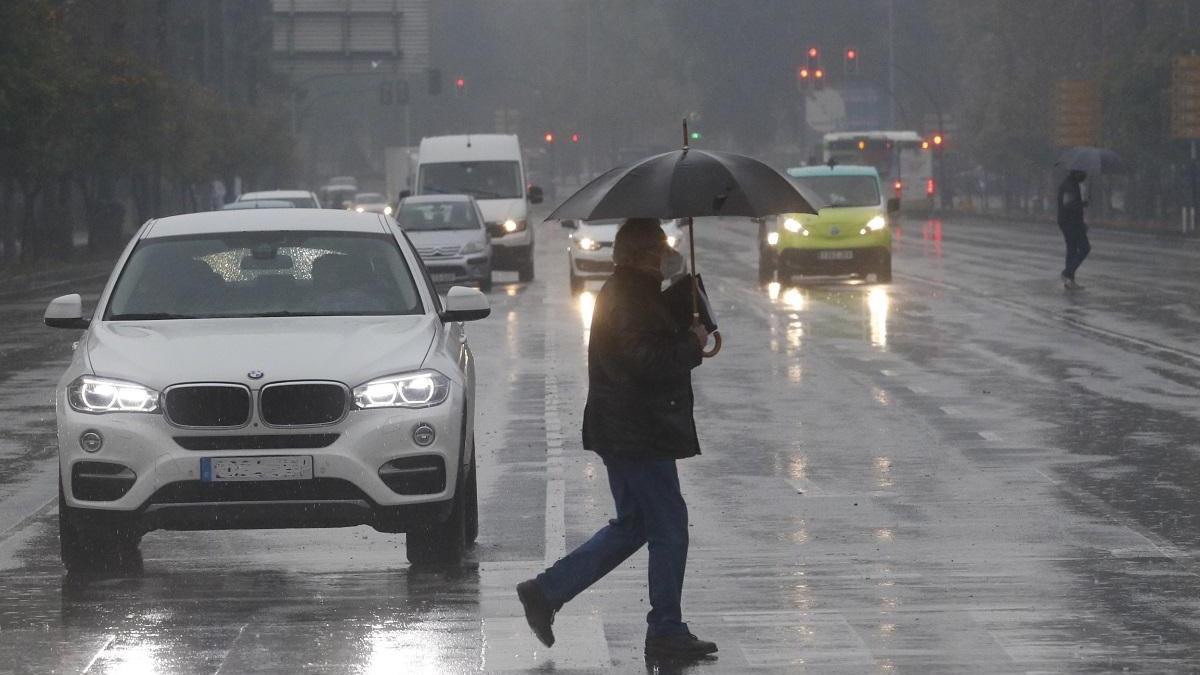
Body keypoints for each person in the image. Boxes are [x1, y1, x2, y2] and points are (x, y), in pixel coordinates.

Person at [516, 218, 719, 661]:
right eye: (660, 249)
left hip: (628, 429)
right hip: (637, 433)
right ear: (643, 255)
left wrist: (685, 307)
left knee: (636, 525)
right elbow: (645, 360)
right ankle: (665, 629)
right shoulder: (627, 296)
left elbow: (647, 342)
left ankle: (546, 591)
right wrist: (690, 342)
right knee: (669, 527)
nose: (666, 256)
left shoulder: (633, 293)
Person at [1057, 169, 1091, 290]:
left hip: (1072, 222)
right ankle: (1067, 273)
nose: (1084, 177)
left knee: (1071, 250)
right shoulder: (1069, 186)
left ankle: (1069, 280)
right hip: (1070, 223)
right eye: (1082, 174)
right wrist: (1082, 204)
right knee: (1085, 248)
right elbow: (1068, 204)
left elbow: (1071, 203)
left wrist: (1082, 204)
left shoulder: (1073, 184)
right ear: (1075, 173)